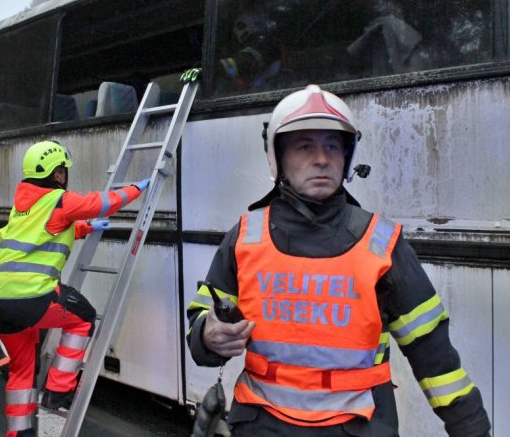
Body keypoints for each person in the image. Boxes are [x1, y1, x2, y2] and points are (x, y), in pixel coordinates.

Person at [186, 85, 491, 436]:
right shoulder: (244, 237)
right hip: (261, 427)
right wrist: (207, 335)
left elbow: (434, 357)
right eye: (305, 146)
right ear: (278, 157)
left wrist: (472, 429)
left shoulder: (381, 245)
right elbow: (202, 322)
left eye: (332, 146)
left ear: (347, 157)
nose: (322, 159)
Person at [0, 140, 150, 437]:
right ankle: (57, 393)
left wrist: (85, 229)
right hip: (29, 297)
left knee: (22, 369)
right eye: (64, 171)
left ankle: (20, 433)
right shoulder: (58, 199)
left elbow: (47, 231)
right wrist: (137, 188)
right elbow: (102, 204)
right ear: (58, 174)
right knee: (83, 317)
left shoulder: (23, 208)